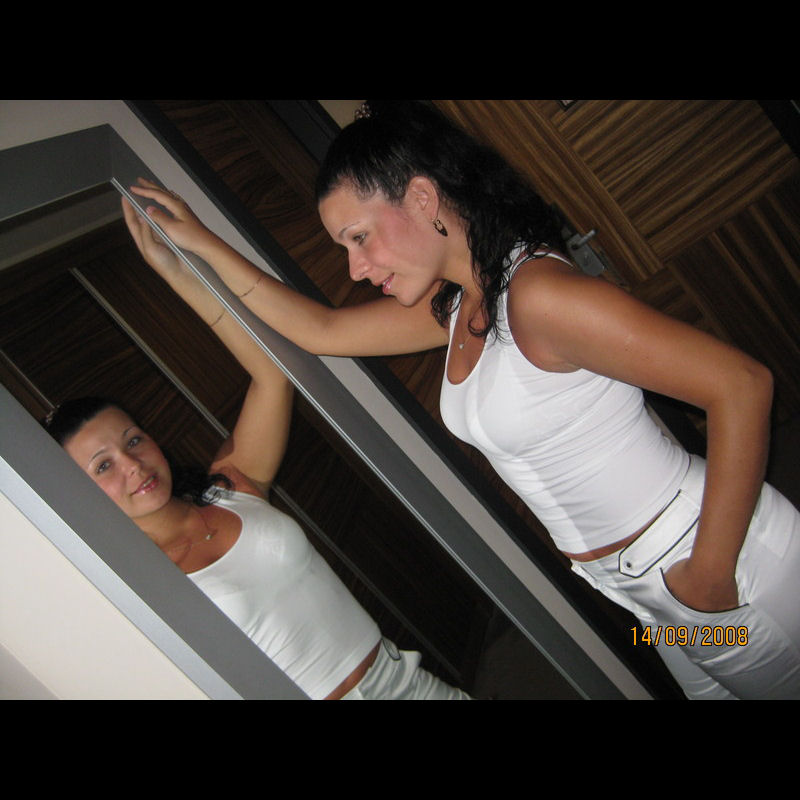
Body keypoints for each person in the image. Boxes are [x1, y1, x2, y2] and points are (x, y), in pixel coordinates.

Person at [126, 101, 800, 700]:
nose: (356, 267)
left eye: (359, 237)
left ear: (422, 198)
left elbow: (741, 385)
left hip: (717, 564)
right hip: (641, 594)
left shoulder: (538, 296)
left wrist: (708, 579)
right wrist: (197, 251)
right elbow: (321, 330)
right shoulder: (462, 310)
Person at [43, 191, 470, 701]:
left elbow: (271, 374)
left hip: (408, 682)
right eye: (103, 466)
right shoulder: (137, 588)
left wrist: (178, 271)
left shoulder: (231, 488)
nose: (133, 464)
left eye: (133, 440)